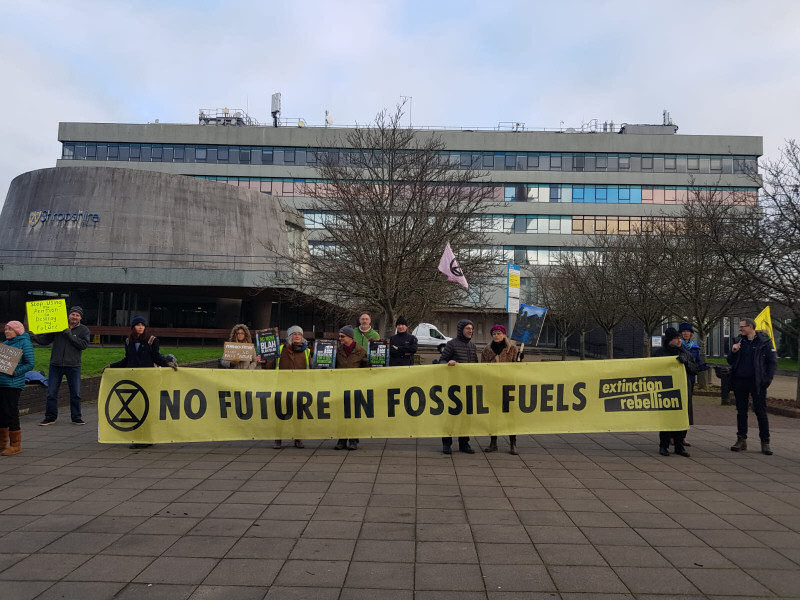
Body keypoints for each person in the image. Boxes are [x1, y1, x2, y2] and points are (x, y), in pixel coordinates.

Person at [106, 316, 177, 449]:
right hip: (134, 379)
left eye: (142, 325)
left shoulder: (152, 340)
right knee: (136, 408)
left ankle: (146, 437)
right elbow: (127, 359)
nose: (140, 327)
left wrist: (168, 364)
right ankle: (139, 436)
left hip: (148, 378)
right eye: (137, 325)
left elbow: (157, 357)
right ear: (133, 327)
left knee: (147, 407)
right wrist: (111, 366)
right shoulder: (128, 341)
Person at [32, 306, 92, 426]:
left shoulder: (84, 330)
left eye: (77, 315)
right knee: (51, 393)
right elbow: (46, 340)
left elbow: (83, 345)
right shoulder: (58, 326)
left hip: (73, 365)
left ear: (80, 317)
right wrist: (34, 336)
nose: (74, 317)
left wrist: (69, 335)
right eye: (73, 314)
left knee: (75, 393)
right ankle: (50, 417)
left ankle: (76, 417)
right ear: (68, 315)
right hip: (56, 364)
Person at [728, 317, 777, 455]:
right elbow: (730, 361)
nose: (740, 328)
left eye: (742, 326)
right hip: (740, 381)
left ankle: (765, 442)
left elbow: (772, 363)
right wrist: (733, 351)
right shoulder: (738, 341)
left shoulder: (764, 342)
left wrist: (766, 380)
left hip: (757, 383)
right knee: (741, 411)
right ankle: (741, 439)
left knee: (760, 411)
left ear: (750, 327)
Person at [654, 327, 699, 457]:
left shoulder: (685, 353)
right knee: (666, 419)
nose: (679, 340)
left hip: (683, 389)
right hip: (666, 390)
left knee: (680, 418)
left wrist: (686, 363)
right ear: (669, 340)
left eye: (679, 338)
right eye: (676, 338)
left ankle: (679, 446)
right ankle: (664, 445)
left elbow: (695, 369)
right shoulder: (659, 353)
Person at [437, 319, 478, 454]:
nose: (470, 331)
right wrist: (448, 362)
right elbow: (441, 361)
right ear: (461, 330)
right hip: (453, 387)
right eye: (467, 328)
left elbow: (476, 366)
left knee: (465, 417)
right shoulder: (451, 344)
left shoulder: (473, 346)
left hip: (467, 387)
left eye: (471, 329)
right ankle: (447, 443)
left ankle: (464, 443)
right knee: (451, 416)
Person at [481, 324, 519, 454]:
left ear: (504, 335)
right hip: (492, 386)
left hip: (508, 386)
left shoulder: (512, 349)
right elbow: (482, 368)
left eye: (499, 333)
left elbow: (517, 368)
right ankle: (493, 442)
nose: (496, 335)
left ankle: (513, 443)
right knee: (493, 416)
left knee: (510, 416)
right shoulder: (487, 350)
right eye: (494, 333)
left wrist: (520, 359)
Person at [270, 325, 310, 449]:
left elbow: (311, 369)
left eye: (299, 334)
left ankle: (298, 439)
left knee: (299, 414)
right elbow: (270, 367)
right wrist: (264, 362)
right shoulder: (281, 349)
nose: (297, 336)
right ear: (289, 336)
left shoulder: (307, 351)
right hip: (282, 386)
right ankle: (278, 440)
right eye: (294, 334)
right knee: (280, 414)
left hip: (300, 387)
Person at [1, 321, 35, 456]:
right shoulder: (4, 344)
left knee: (11, 412)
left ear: (17, 331)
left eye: (9, 329)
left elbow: (30, 363)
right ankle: (2, 442)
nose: (6, 331)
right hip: (1, 383)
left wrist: (14, 372)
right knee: (1, 413)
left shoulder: (24, 343)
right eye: (5, 329)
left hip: (13, 384)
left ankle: (15, 445)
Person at [676, 322, 709, 446]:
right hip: (677, 380)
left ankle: (683, 436)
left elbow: (698, 363)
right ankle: (673, 436)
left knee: (687, 410)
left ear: (691, 334)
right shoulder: (677, 347)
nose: (686, 333)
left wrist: (704, 367)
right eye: (683, 331)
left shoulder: (695, 348)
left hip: (689, 381)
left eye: (688, 331)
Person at [335, 325, 367, 450]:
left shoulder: (361, 351)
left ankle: (353, 440)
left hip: (355, 386)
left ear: (350, 337)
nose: (340, 338)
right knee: (342, 414)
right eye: (339, 336)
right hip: (341, 386)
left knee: (354, 413)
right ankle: (342, 439)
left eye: (342, 336)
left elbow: (366, 369)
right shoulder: (337, 350)